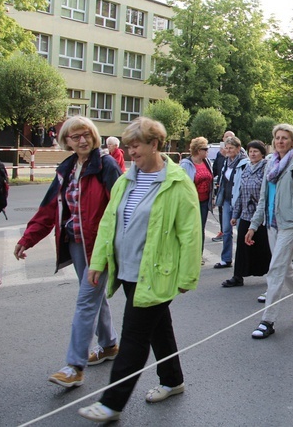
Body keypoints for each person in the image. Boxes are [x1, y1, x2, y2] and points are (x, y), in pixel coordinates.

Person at [78, 117, 201, 423]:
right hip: (128, 270)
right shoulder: (126, 179)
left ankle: (111, 403)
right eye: (129, 146)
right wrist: (98, 262)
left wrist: (187, 276)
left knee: (133, 336)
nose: (131, 151)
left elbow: (190, 232)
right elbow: (110, 223)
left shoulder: (176, 181)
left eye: (136, 145)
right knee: (159, 328)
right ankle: (173, 380)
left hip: (157, 272)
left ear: (154, 144)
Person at [15, 116, 122, 386]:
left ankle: (75, 366)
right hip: (75, 244)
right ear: (67, 141)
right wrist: (28, 238)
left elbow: (121, 209)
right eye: (75, 137)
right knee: (94, 297)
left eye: (86, 134)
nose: (82, 140)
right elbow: (49, 207)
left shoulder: (105, 166)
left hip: (100, 246)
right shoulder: (67, 168)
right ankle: (109, 344)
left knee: (86, 300)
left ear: (94, 136)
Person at [245, 124, 293, 339]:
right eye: (277, 138)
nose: (280, 141)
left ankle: (267, 321)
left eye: (285, 138)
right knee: (286, 269)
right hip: (272, 225)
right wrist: (253, 225)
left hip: (290, 225)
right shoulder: (270, 164)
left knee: (276, 270)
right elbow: (262, 200)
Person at [223, 140, 271, 287]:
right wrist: (235, 214)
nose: (252, 154)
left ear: (262, 153)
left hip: (261, 215)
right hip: (246, 214)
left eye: (256, 151)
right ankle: (238, 276)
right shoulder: (246, 169)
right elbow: (240, 192)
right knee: (242, 246)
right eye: (250, 151)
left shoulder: (267, 169)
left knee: (265, 247)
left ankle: (273, 274)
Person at [215, 136, 248, 269]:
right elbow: (223, 181)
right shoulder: (226, 162)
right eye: (227, 148)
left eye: (231, 148)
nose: (228, 151)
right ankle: (226, 259)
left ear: (238, 148)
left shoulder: (244, 163)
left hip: (239, 202)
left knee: (241, 232)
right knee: (226, 230)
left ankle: (242, 260)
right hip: (227, 200)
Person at [179, 137, 214, 255]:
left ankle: (199, 255)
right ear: (199, 150)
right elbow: (183, 185)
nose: (207, 151)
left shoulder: (207, 162)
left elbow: (211, 181)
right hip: (191, 203)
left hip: (204, 202)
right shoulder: (185, 164)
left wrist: (212, 197)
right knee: (190, 229)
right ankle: (187, 254)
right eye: (206, 149)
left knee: (200, 229)